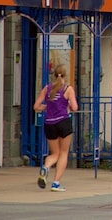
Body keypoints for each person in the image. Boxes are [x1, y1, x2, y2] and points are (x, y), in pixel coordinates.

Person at [33, 64, 79, 192]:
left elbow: (36, 106)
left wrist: (46, 107)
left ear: (54, 75)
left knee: (54, 153)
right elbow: (75, 108)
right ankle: (56, 183)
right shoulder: (68, 89)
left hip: (49, 124)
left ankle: (46, 167)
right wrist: (68, 105)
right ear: (65, 75)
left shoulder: (47, 89)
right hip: (64, 122)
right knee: (63, 153)